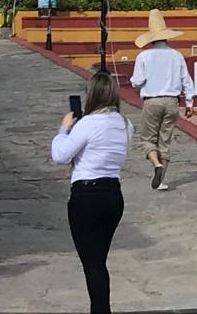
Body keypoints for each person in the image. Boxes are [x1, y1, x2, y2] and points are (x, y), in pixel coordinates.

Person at [51, 72, 131, 314]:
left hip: (87, 196)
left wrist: (64, 129)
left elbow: (60, 155)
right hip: (113, 194)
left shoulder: (87, 124)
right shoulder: (125, 124)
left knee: (93, 264)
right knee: (98, 261)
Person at [129, 10, 194, 191]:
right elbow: (186, 80)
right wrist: (189, 102)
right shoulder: (176, 55)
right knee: (165, 140)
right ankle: (161, 180)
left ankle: (156, 164)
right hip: (172, 101)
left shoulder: (144, 56)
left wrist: (134, 82)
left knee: (147, 138)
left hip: (152, 101)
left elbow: (137, 81)